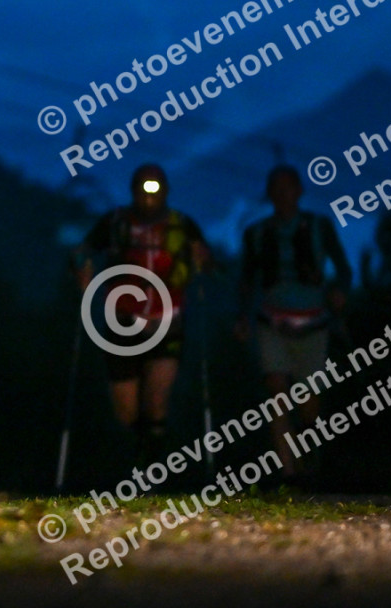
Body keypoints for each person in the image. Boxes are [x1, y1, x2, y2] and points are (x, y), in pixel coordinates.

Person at [74, 164, 211, 464]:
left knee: (157, 400)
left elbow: (208, 261)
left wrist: (202, 262)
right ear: (133, 191)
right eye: (143, 190)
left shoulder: (182, 225)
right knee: (126, 411)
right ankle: (137, 452)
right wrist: (82, 267)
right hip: (123, 320)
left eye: (155, 190)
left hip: (168, 320)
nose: (149, 198)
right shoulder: (115, 222)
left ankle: (151, 470)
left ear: (166, 191)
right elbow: (83, 249)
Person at [237, 164, 352, 478]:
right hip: (272, 322)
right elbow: (247, 279)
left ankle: (308, 454)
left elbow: (343, 267)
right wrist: (243, 315)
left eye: (288, 187)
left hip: (313, 324)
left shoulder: (320, 226)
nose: (283, 194)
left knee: (308, 402)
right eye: (276, 189)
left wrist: (340, 291)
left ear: (299, 191)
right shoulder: (256, 233)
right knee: (276, 392)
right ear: (269, 194)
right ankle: (288, 475)